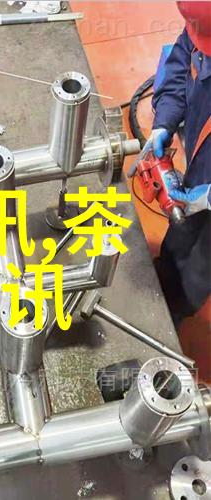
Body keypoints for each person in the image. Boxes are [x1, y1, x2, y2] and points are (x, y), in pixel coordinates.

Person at [144, 1, 210, 325]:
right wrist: (165, 121)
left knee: (203, 264)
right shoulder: (202, 31)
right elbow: (182, 60)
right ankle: (167, 277)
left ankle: (177, 310)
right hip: (200, 171)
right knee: (181, 231)